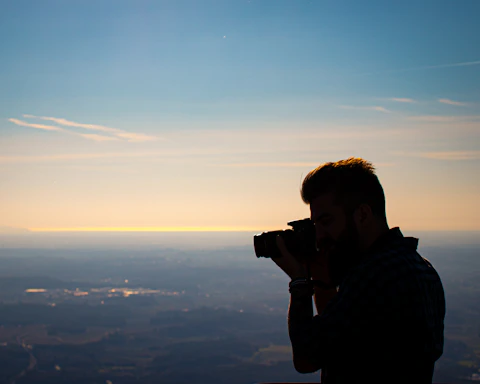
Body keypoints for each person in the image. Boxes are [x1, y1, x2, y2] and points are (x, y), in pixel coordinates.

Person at [271, 157, 445, 384]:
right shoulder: (423, 270)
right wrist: (321, 275)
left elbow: (307, 358)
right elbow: (338, 337)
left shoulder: (375, 276)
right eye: (315, 225)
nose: (320, 236)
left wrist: (299, 281)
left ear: (362, 214)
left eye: (327, 221)